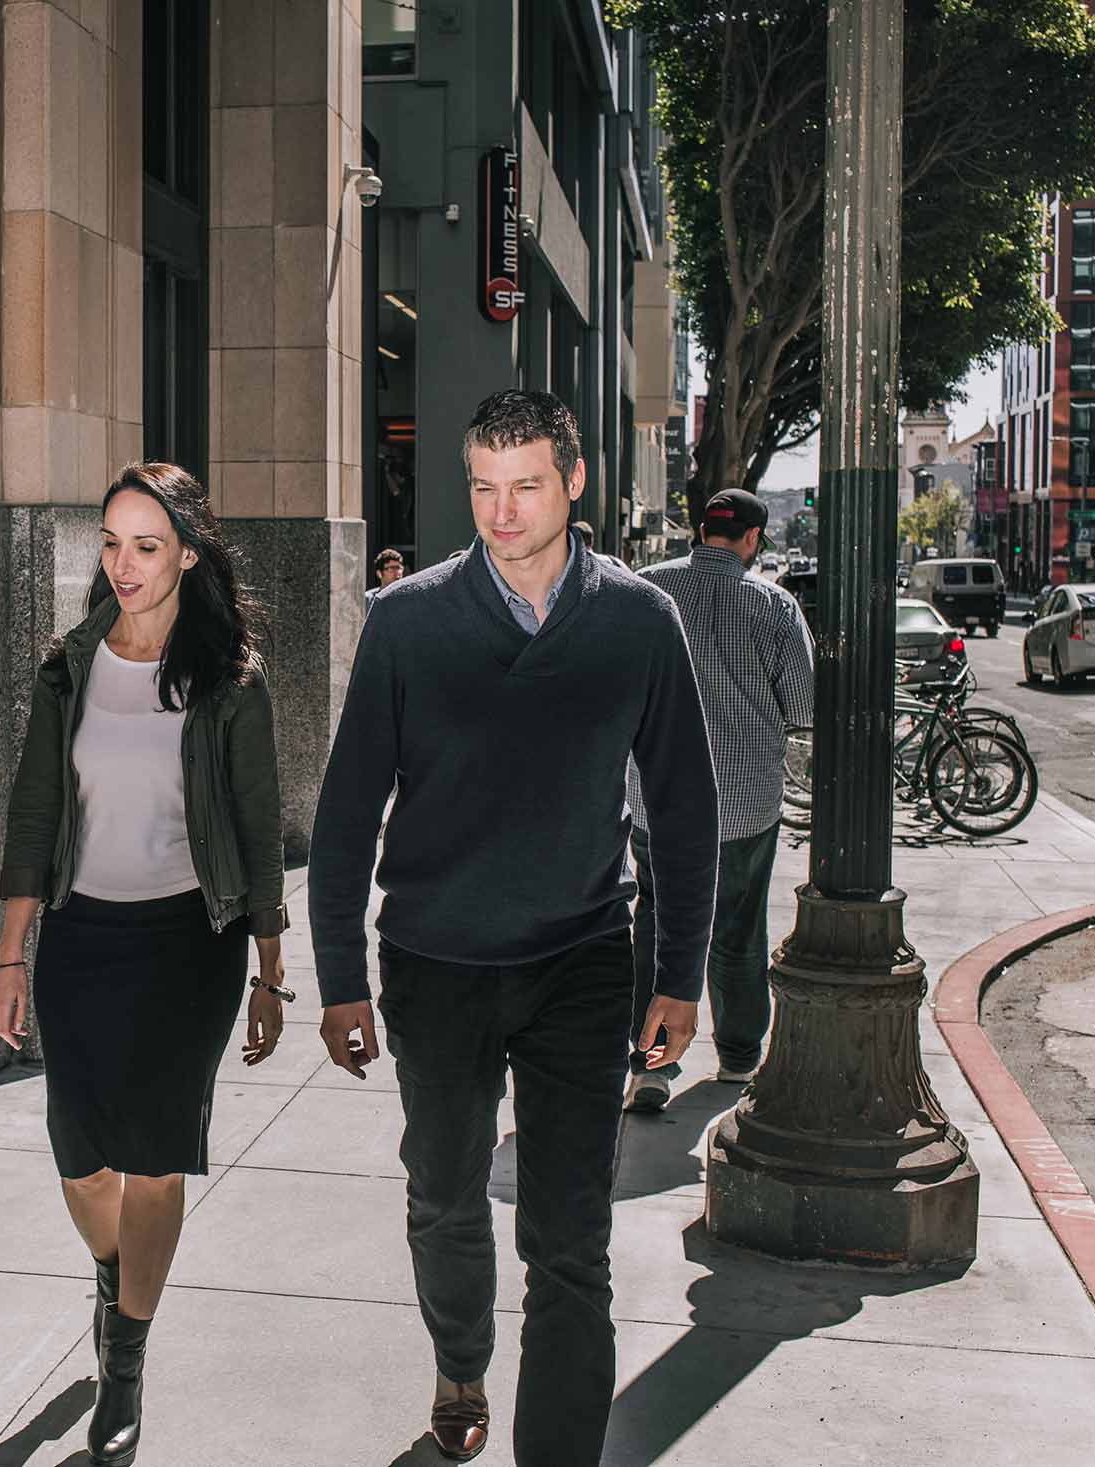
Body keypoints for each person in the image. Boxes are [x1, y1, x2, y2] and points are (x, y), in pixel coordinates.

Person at [308, 389, 719, 1463]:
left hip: (582, 961)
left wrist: (680, 977)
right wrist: (340, 978)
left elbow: (683, 809)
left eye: (525, 485)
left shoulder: (638, 620)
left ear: (574, 483)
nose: (500, 512)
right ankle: (458, 1362)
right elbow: (348, 810)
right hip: (434, 965)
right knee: (442, 1196)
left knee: (570, 1244)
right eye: (483, 488)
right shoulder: (409, 620)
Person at [0, 462, 290, 1466]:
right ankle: (122, 1278)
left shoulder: (228, 679)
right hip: (80, 939)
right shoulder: (68, 665)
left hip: (187, 946)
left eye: (146, 545)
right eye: (110, 543)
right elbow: (34, 812)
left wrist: (267, 965)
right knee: (82, 1163)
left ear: (189, 555)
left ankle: (125, 1359)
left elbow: (254, 826)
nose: (122, 564)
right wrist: (7, 953)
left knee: (156, 1161)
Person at [623, 488, 815, 1113]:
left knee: (655, 924)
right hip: (744, 805)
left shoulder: (645, 593)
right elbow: (805, 710)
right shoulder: (775, 607)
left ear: (701, 530)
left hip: (655, 802)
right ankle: (737, 1056)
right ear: (753, 539)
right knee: (736, 928)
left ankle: (650, 1066)